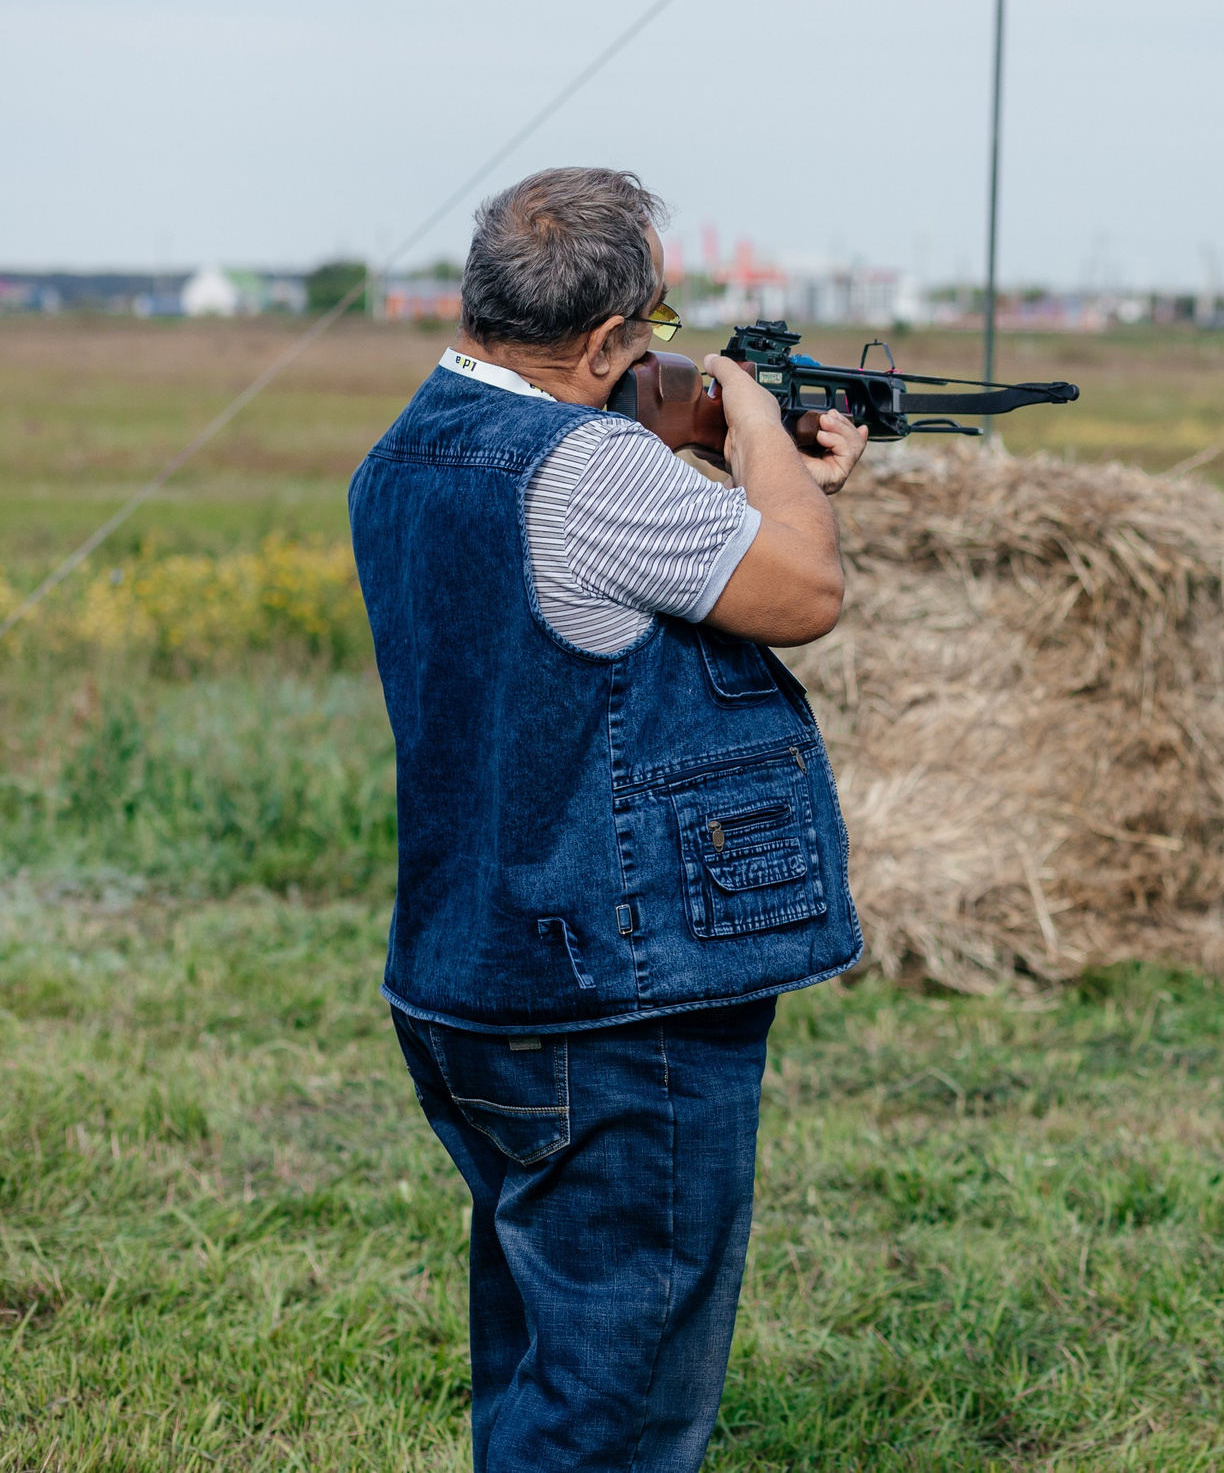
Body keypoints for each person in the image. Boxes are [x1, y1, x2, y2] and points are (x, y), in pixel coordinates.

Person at [348, 166, 867, 1471]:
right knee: (621, 1422)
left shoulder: (399, 455)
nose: (666, 352)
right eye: (655, 327)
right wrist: (751, 423)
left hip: (471, 979)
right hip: (612, 1007)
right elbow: (801, 587)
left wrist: (729, 456)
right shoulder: (585, 473)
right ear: (601, 343)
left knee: (542, 1379)